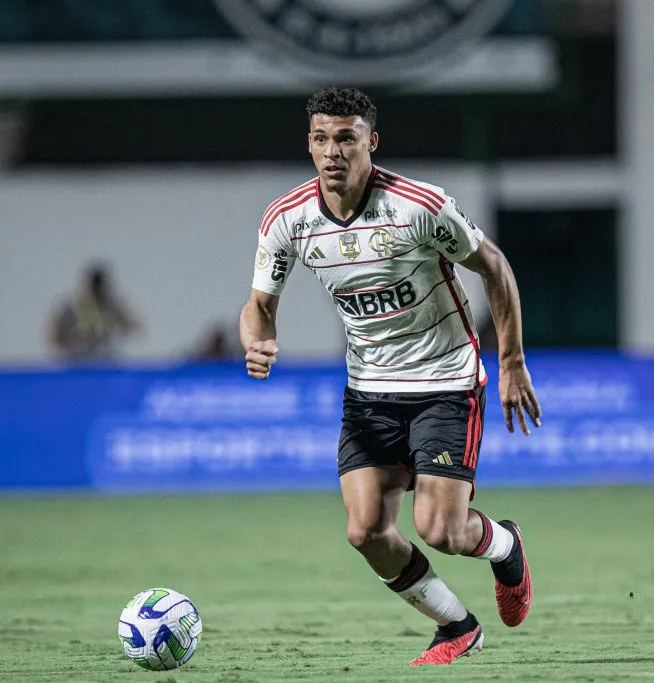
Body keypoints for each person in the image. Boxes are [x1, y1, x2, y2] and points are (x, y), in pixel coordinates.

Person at [239, 87, 542, 666]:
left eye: (346, 138)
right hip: (369, 395)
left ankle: (505, 546)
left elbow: (495, 266)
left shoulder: (420, 207)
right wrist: (256, 338)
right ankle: (456, 626)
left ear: (370, 142)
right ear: (309, 144)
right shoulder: (288, 220)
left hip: (445, 384)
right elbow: (258, 304)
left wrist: (511, 362)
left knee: (441, 530)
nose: (333, 152)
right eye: (321, 139)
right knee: (366, 533)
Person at [50, 262, 141, 362]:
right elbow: (56, 336)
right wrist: (76, 338)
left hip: (107, 358)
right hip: (78, 359)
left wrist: (118, 326)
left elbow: (134, 326)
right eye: (95, 287)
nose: (98, 291)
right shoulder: (73, 308)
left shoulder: (114, 306)